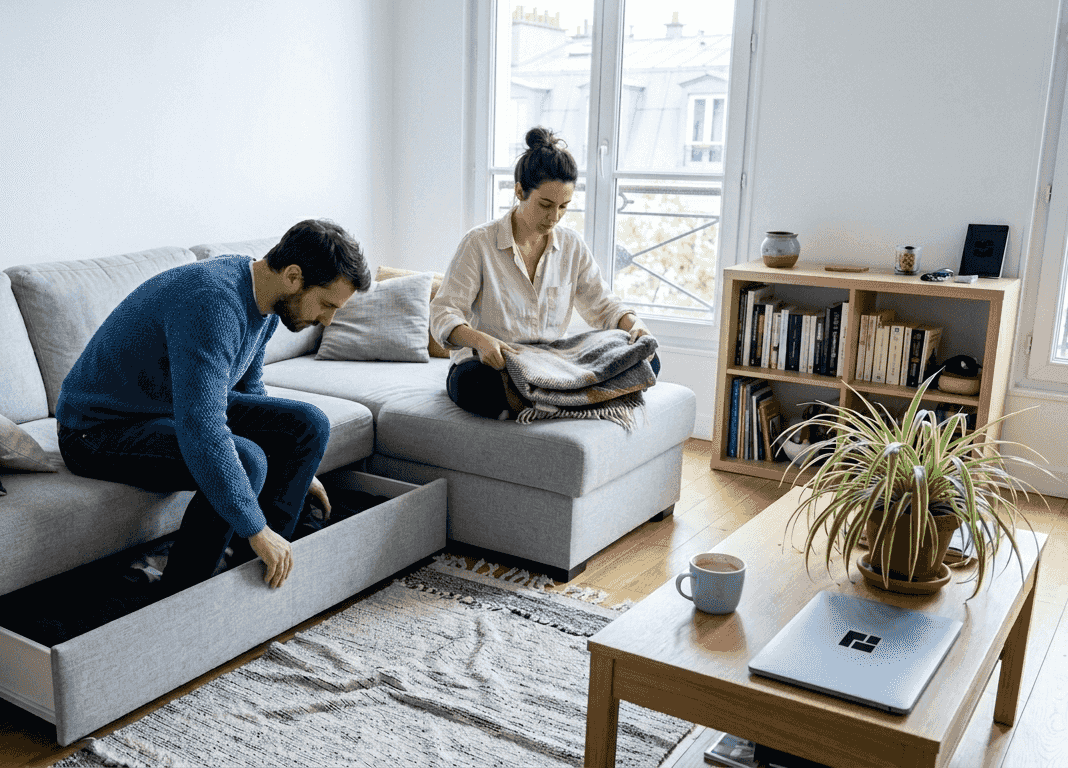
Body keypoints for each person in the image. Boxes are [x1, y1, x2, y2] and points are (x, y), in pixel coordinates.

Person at [56, 219, 372, 595]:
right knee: (248, 460)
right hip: (97, 431)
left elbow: (248, 389)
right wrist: (255, 527)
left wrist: (299, 475)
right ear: (293, 276)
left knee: (308, 425)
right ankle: (180, 596)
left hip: (165, 408)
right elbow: (202, 427)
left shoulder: (266, 301)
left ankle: (260, 574)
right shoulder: (213, 302)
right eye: (326, 304)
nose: (327, 319)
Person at [430, 127, 658, 420]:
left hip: (551, 363)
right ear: (519, 191)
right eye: (546, 205)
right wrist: (480, 341)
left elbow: (602, 305)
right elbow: (443, 312)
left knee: (647, 360)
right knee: (470, 384)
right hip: (497, 365)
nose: (554, 217)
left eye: (564, 207)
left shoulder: (572, 245)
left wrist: (635, 326)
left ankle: (542, 401)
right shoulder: (479, 243)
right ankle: (570, 400)